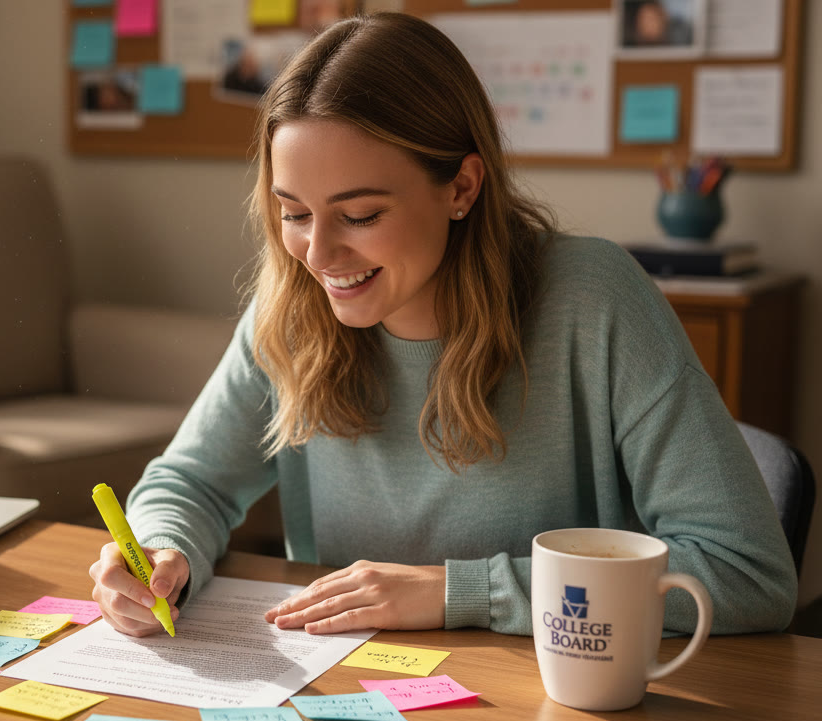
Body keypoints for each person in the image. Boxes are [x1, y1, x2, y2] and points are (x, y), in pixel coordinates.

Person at [88, 12, 796, 639]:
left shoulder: (594, 299)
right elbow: (190, 485)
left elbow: (748, 573)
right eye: (294, 212)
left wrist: (463, 593)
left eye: (361, 215)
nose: (319, 255)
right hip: (359, 696)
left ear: (461, 187)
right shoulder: (291, 306)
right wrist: (161, 550)